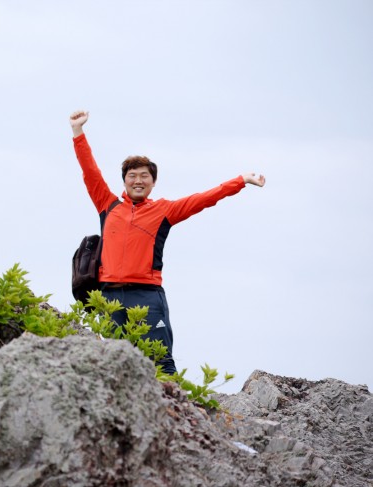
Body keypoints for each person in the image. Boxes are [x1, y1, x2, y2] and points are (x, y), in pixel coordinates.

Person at [69, 110, 265, 374]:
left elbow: (203, 199)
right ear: (124, 180)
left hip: (147, 296)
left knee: (161, 362)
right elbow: (89, 171)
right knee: (116, 364)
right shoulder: (108, 205)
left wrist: (240, 181)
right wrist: (78, 132)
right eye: (132, 175)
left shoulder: (164, 211)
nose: (138, 180)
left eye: (144, 176)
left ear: (153, 182)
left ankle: (175, 413)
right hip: (110, 295)